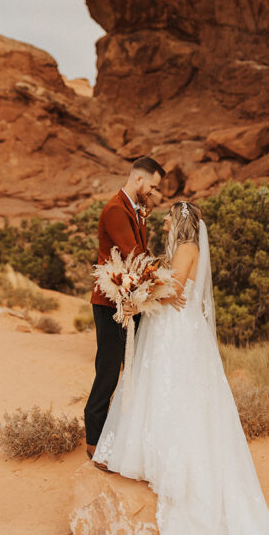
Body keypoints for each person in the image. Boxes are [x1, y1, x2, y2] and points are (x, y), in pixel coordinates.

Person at [93, 200, 269, 535]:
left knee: (178, 393)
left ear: (182, 222)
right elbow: (166, 288)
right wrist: (144, 289)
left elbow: (174, 288)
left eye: (171, 217)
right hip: (167, 324)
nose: (167, 221)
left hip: (177, 328)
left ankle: (177, 469)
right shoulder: (176, 249)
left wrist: (143, 288)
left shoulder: (187, 249)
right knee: (159, 389)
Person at [84, 156, 180, 459]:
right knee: (109, 370)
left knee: (131, 370)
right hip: (111, 303)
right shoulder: (115, 209)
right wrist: (162, 280)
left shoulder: (136, 210)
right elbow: (133, 254)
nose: (153, 191)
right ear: (139, 180)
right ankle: (94, 442)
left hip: (129, 301)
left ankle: (120, 434)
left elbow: (140, 255)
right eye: (152, 185)